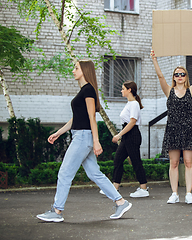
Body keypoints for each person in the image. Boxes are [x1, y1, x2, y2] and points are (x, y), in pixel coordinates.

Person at [36, 60, 132, 222]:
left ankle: (57, 211)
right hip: (80, 135)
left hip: (83, 137)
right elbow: (76, 118)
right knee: (94, 173)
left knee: (65, 173)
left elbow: (92, 117)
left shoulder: (88, 90)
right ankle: (121, 202)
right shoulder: (84, 91)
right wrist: (58, 132)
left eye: (76, 68)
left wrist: (96, 141)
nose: (73, 70)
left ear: (85, 71)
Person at [151, 47, 192, 204]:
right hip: (173, 130)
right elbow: (160, 76)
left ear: (185, 76)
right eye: (177, 74)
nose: (180, 76)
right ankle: (174, 193)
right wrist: (154, 59)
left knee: (189, 162)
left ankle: (189, 193)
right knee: (174, 163)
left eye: (183, 74)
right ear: (174, 77)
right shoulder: (168, 91)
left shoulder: (191, 91)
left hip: (189, 130)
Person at [111, 80, 149, 198]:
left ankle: (143, 188)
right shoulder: (129, 104)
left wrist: (119, 135)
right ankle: (114, 188)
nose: (121, 91)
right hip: (128, 135)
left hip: (132, 135)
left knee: (136, 161)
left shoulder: (134, 104)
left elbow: (132, 122)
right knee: (118, 160)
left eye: (123, 89)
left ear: (129, 90)